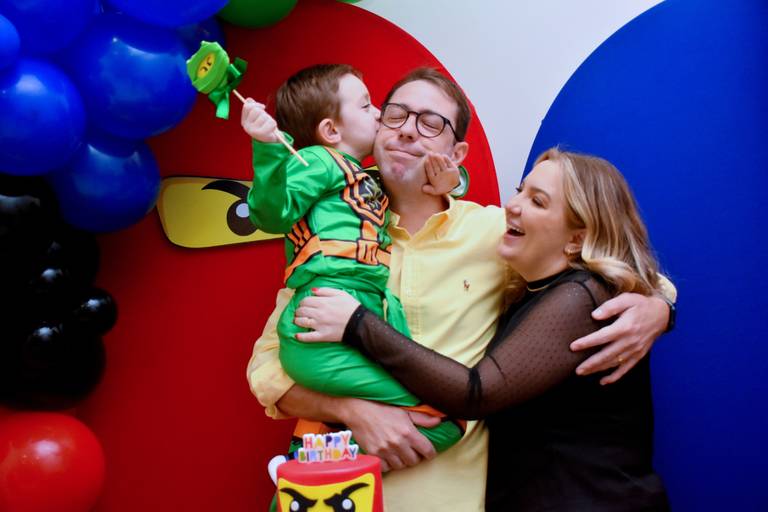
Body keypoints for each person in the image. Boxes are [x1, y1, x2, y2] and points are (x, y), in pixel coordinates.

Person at [247, 67, 675, 511]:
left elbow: (602, 267)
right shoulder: (336, 231)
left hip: (453, 498)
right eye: (395, 115)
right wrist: (355, 411)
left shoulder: (496, 235)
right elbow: (266, 369)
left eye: (431, 123)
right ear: (375, 128)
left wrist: (658, 306)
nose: (408, 130)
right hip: (339, 495)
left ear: (457, 152)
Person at [241, 64, 465, 456]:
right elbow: (272, 213)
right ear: (331, 131)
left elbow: (420, 170)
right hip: (320, 318)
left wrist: (452, 183)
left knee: (441, 408)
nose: (379, 115)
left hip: (369, 310)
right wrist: (267, 149)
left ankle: (314, 462)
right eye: (367, 106)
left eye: (429, 124)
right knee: (447, 416)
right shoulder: (319, 162)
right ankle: (311, 466)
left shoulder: (366, 180)